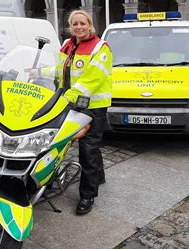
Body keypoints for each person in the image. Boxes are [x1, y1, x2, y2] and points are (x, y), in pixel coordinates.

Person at [57, 10, 112, 215]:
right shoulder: (67, 45)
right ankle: (99, 176)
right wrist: (38, 73)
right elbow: (59, 71)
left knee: (87, 149)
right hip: (72, 102)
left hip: (93, 106)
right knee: (87, 146)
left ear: (90, 24)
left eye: (82, 23)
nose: (79, 27)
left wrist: (68, 96)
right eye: (75, 24)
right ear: (70, 27)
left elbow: (93, 78)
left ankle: (87, 195)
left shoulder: (100, 48)